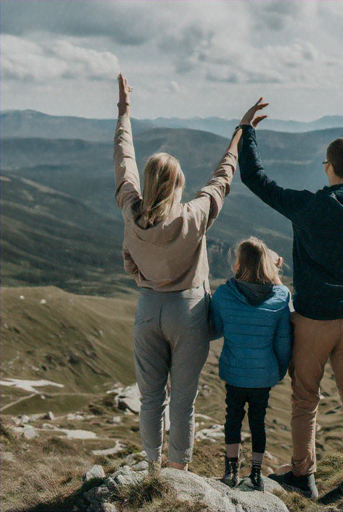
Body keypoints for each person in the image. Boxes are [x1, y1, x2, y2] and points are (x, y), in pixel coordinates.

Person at [237, 100, 343, 502]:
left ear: (328, 165)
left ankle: (303, 476)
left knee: (306, 398)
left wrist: (247, 131)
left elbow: (256, 180)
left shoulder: (310, 206)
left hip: (313, 321)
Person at [114, 73, 242, 473]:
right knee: (183, 400)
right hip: (189, 313)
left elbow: (124, 159)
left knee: (152, 398)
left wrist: (124, 111)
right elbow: (222, 179)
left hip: (148, 309)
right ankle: (178, 471)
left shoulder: (130, 209)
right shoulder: (192, 217)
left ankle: (152, 466)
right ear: (178, 184)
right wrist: (240, 134)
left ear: (147, 183)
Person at [210, 237, 292, 491]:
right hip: (263, 374)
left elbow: (216, 328)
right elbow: (283, 343)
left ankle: (230, 471)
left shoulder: (224, 293)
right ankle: (256, 474)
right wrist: (277, 370)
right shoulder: (280, 296)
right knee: (259, 421)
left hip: (235, 372)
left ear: (239, 264)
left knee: (232, 418)